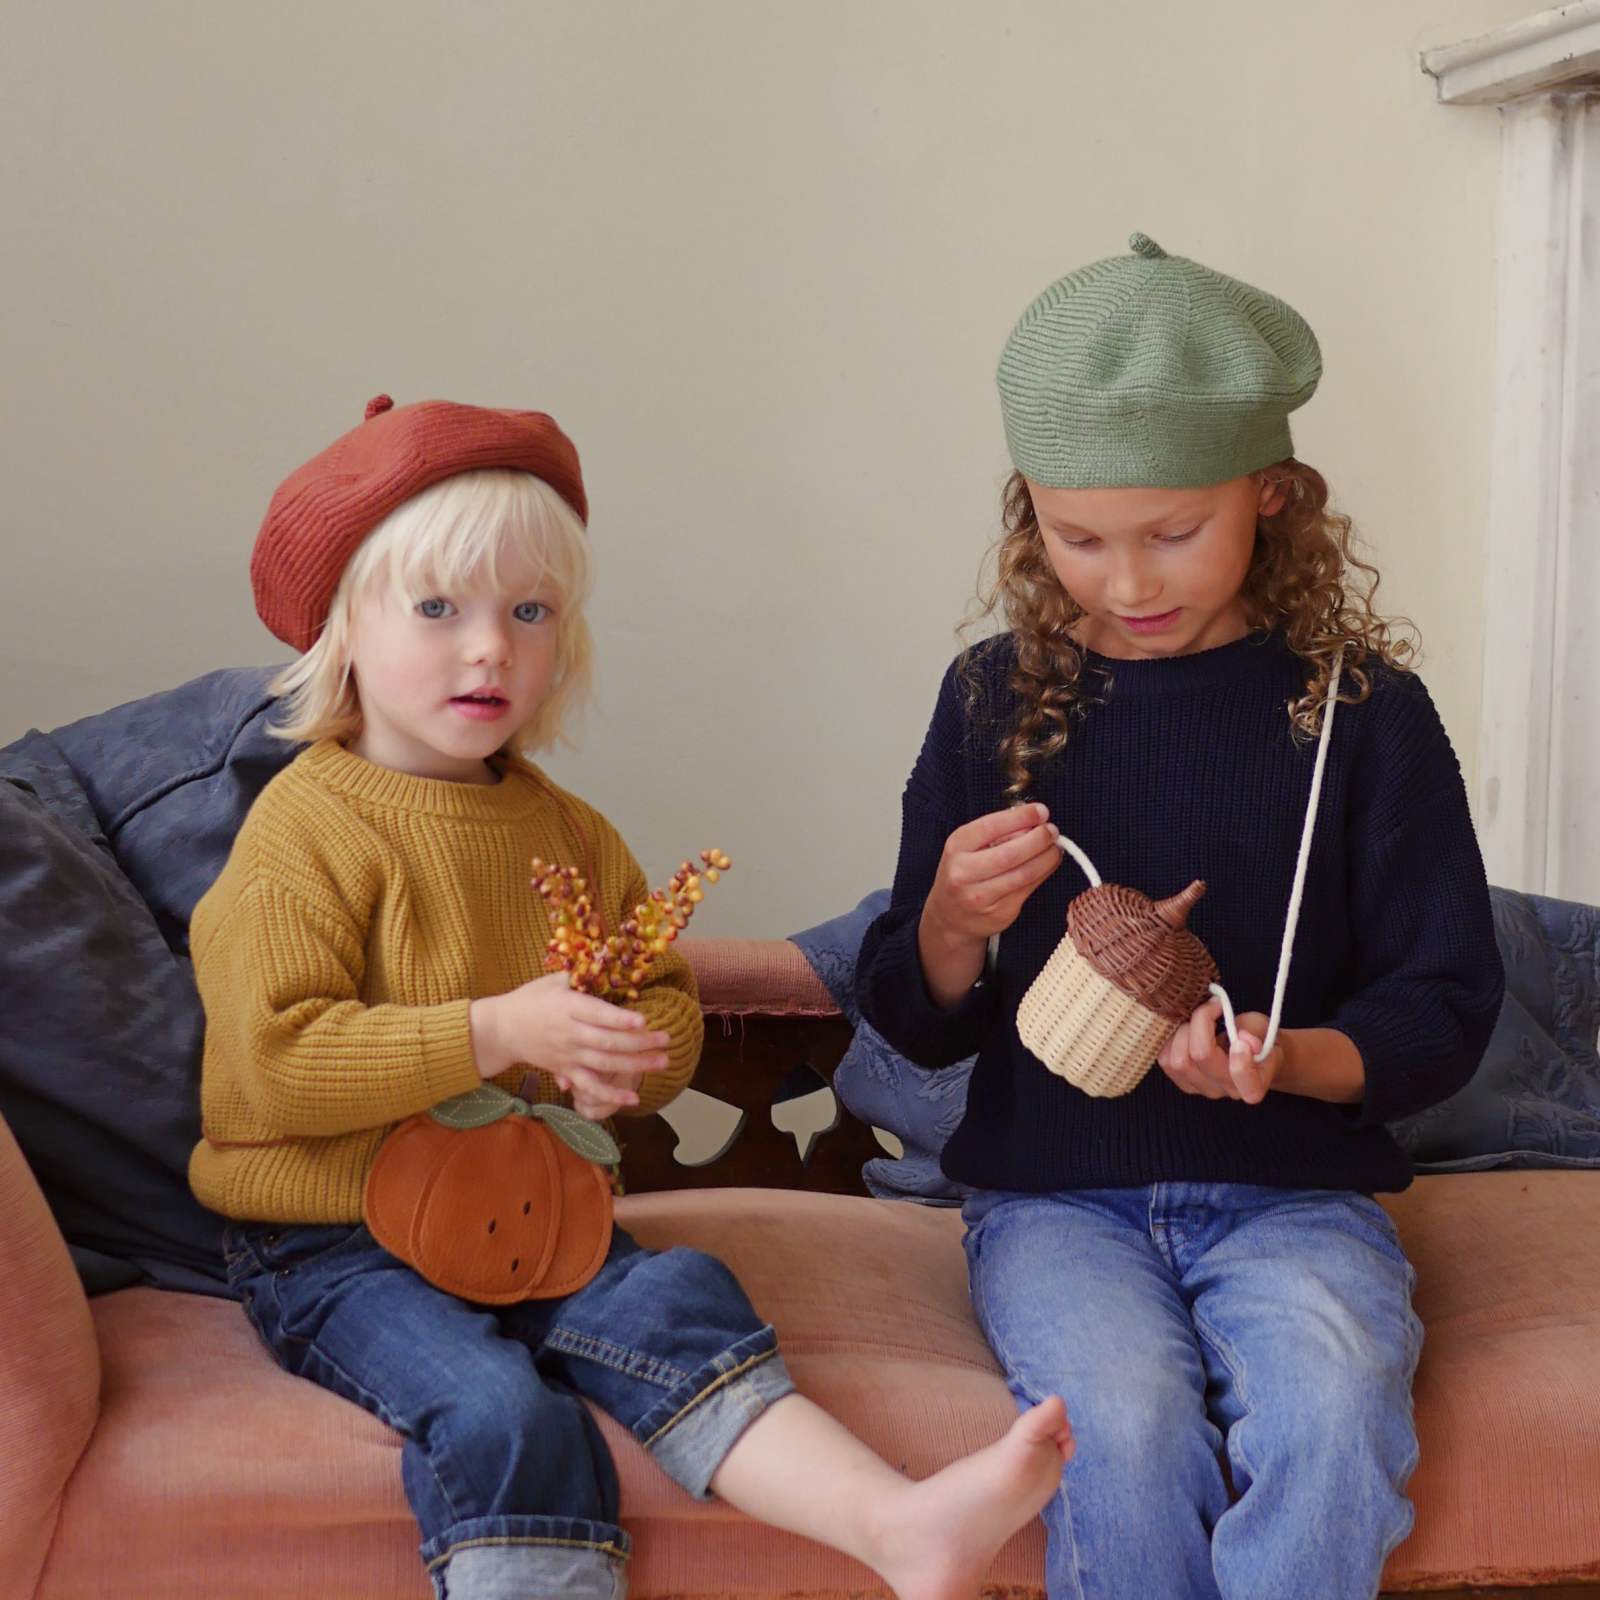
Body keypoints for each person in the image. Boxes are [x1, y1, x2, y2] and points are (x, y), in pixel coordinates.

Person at [190, 394, 1071, 1600]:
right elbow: (272, 1064)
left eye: (529, 611)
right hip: (331, 1239)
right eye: (438, 608)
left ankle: (896, 1524)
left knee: (675, 1300)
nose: (489, 646)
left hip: (532, 1207)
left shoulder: (566, 831)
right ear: (342, 626)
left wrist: (624, 1054)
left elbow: (662, 1008)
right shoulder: (306, 830)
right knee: (498, 1405)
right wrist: (496, 1029)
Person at [856, 234, 1505, 1600]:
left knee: (1330, 1411)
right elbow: (913, 1014)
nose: (1128, 582)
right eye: (1077, 537)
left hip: (1294, 1198)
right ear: (1027, 509)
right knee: (1126, 1431)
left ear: (1273, 496)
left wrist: (1292, 1058)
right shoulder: (992, 699)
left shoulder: (1364, 717)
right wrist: (954, 922)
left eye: (1174, 533)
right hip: (1056, 1202)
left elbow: (1443, 1000)